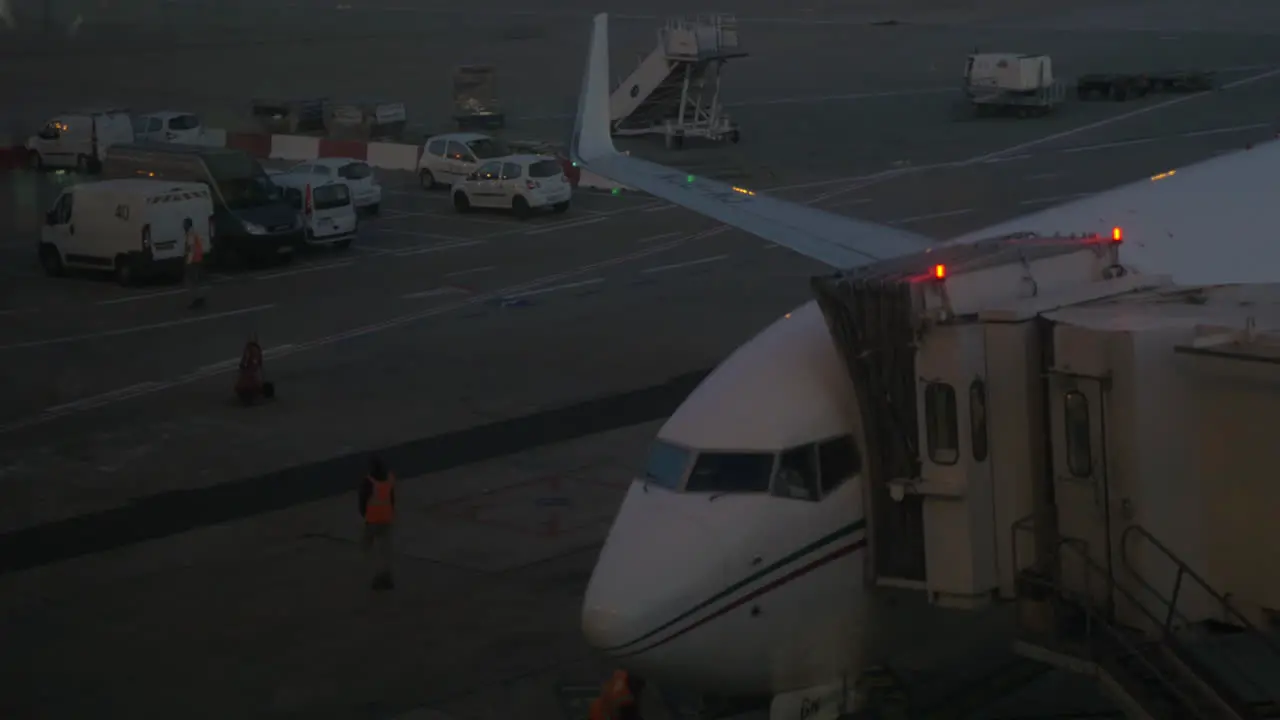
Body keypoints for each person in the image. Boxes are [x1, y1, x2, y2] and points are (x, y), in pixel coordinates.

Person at [358, 456, 396, 590]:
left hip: (373, 520)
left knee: (366, 548)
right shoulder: (389, 479)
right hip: (387, 519)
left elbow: (362, 501)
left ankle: (376, 577)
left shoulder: (369, 482)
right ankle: (387, 575)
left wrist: (365, 515)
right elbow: (392, 498)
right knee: (385, 549)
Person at [182, 217, 206, 309]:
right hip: (197, 260)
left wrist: (188, 262)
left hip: (193, 261)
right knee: (196, 281)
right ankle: (199, 297)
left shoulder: (190, 235)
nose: (183, 226)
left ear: (188, 225)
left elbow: (191, 249)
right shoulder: (193, 233)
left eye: (184, 224)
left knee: (190, 282)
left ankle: (194, 300)